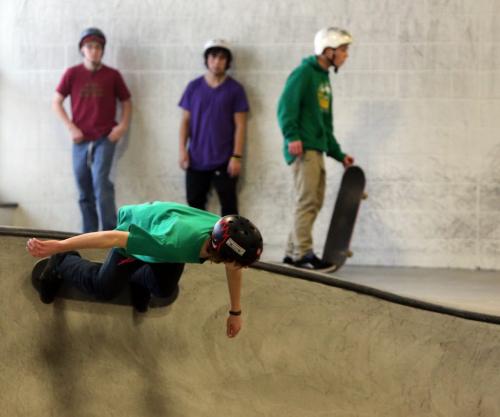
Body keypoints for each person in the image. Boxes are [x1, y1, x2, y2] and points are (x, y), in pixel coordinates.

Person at [27, 201, 263, 338]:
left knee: (163, 289)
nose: (236, 268)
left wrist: (235, 312)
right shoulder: (172, 243)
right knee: (103, 288)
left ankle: (137, 280)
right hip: (141, 231)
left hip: (164, 231)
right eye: (234, 263)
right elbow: (112, 238)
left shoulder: (220, 232)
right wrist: (60, 245)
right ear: (221, 254)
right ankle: (62, 262)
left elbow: (234, 267)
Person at [277, 27, 355, 271]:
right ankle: (303, 254)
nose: (346, 55)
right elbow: (285, 107)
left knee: (313, 201)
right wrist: (292, 136)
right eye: (343, 50)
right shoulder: (303, 73)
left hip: (316, 149)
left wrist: (339, 155)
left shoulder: (323, 79)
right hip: (303, 149)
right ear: (328, 50)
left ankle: (292, 253)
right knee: (308, 201)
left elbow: (325, 125)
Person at [52, 27, 132, 233]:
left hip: (105, 137)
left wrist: (122, 126)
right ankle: (89, 234)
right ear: (82, 49)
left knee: (101, 183)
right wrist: (71, 127)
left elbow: (127, 101)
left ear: (102, 50)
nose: (94, 51)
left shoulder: (112, 75)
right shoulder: (72, 74)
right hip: (80, 140)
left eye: (98, 47)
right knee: (83, 187)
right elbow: (56, 102)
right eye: (90, 46)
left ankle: (110, 232)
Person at [178, 39, 249, 216]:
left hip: (225, 161)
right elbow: (185, 122)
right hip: (196, 159)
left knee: (230, 210)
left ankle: (228, 244)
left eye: (222, 58)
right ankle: (199, 244)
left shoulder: (235, 89)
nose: (217, 62)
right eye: (213, 57)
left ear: (227, 62)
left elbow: (241, 125)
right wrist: (182, 151)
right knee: (194, 208)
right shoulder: (193, 87)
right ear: (207, 59)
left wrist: (237, 156)